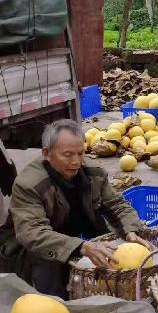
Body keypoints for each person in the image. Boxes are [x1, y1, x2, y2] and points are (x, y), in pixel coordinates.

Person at [0, 120, 149, 299]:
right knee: (48, 261)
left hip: (73, 236)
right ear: (47, 153)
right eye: (68, 155)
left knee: (112, 246)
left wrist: (131, 230)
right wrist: (81, 246)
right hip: (30, 250)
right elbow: (32, 233)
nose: (76, 162)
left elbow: (116, 205)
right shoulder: (29, 185)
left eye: (81, 153)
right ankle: (55, 305)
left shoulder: (93, 174)